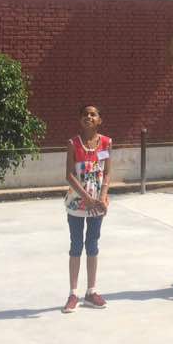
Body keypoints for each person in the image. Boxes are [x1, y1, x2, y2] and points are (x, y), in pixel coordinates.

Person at [63, 105, 112, 313]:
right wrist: (86, 197)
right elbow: (69, 175)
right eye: (85, 114)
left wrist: (101, 196)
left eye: (93, 114)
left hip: (97, 204)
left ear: (99, 119)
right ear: (79, 119)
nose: (89, 117)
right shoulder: (73, 144)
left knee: (92, 244)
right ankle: (73, 293)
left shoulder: (106, 142)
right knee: (76, 245)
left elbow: (107, 172)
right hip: (77, 202)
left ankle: (91, 291)